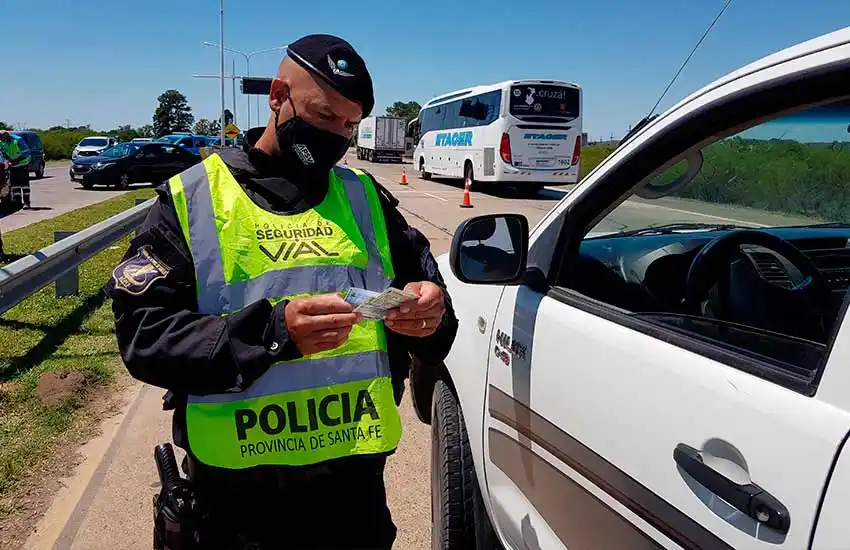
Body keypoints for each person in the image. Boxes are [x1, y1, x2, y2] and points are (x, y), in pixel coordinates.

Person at [106, 34, 458, 550]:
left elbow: (433, 315)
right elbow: (144, 335)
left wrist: (429, 314)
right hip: (236, 511)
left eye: (349, 125)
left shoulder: (366, 200)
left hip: (352, 502)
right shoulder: (193, 200)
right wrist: (272, 333)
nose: (336, 135)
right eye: (324, 114)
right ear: (277, 97)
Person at [0, 131, 31, 209]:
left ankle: (27, 203)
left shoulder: (18, 140)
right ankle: (18, 203)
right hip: (12, 166)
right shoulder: (2, 142)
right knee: (15, 186)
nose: (0, 139)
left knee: (25, 185)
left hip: (22, 165)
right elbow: (4, 152)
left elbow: (26, 152)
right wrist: (8, 160)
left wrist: (16, 161)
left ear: (6, 136)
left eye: (1, 137)